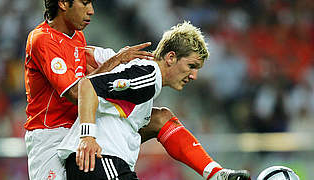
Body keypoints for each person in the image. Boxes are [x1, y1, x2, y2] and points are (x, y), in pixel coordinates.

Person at [58, 21, 251, 180]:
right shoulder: (149, 76)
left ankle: (216, 174)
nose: (194, 76)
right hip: (100, 160)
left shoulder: (141, 73)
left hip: (95, 162)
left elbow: (87, 56)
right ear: (171, 57)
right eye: (191, 66)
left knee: (161, 117)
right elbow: (88, 86)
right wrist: (87, 137)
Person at [24, 0, 153, 179]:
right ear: (62, 3)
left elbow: (90, 83)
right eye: (84, 3)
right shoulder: (43, 39)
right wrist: (116, 60)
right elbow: (77, 93)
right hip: (50, 134)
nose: (91, 11)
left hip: (78, 130)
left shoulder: (77, 37)